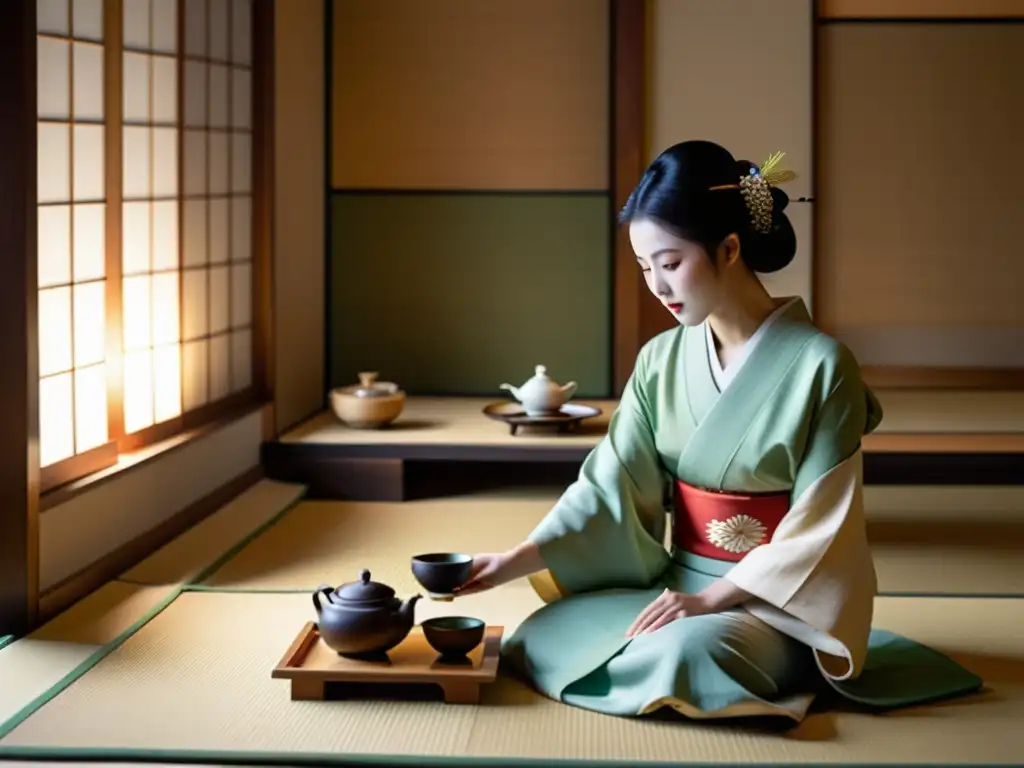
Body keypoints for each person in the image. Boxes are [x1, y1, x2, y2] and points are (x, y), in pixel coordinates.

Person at [451, 140, 983, 723]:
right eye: (644, 267)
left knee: (687, 653)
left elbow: (822, 526)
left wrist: (711, 601)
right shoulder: (659, 360)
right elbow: (610, 487)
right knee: (544, 631)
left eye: (671, 263)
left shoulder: (823, 367)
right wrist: (513, 560)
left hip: (774, 603)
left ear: (729, 248)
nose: (657, 286)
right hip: (676, 587)